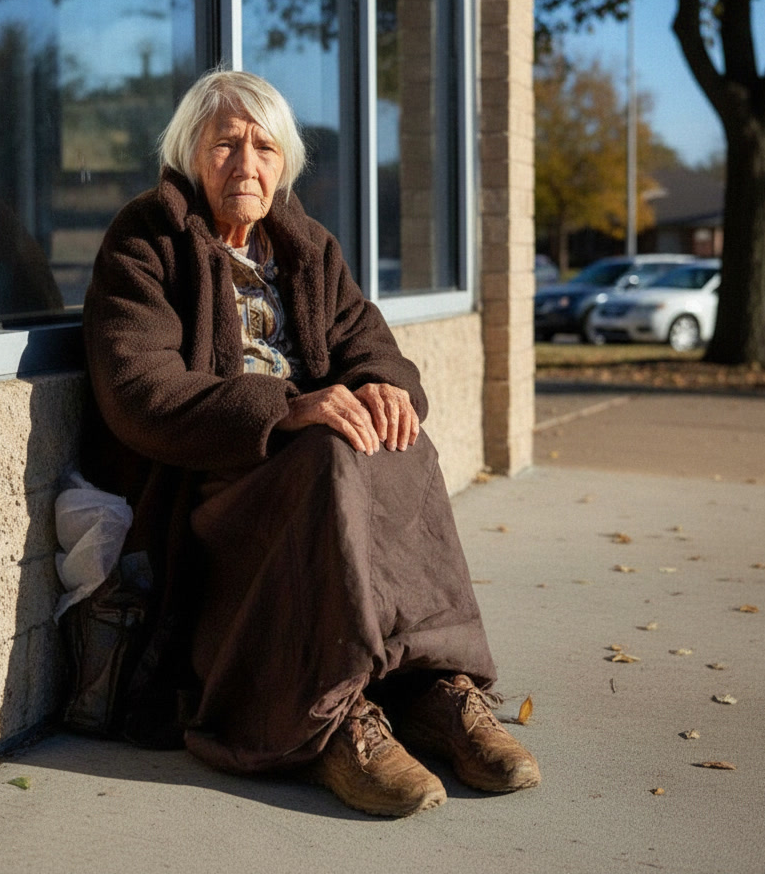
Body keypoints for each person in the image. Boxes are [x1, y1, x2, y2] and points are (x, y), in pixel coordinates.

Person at [82, 69, 540, 817]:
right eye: (225, 144)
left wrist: (386, 384)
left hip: (312, 457)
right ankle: (330, 721)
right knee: (330, 449)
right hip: (211, 479)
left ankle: (431, 688)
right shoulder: (148, 239)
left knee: (404, 444)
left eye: (264, 148)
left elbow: (370, 342)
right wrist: (286, 409)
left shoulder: (303, 245)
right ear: (188, 154)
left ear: (284, 163)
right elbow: (140, 392)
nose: (246, 164)